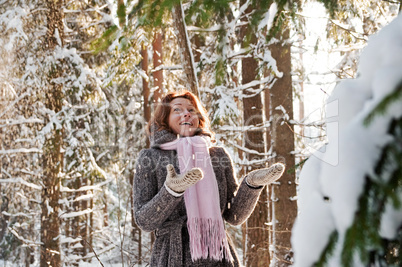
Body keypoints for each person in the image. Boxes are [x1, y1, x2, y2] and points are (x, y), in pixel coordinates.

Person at [133, 90, 285, 267]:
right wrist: (170, 191)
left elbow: (234, 216)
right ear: (164, 119)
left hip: (219, 258)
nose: (187, 113)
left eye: (192, 109)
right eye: (177, 110)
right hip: (173, 257)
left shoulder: (217, 155)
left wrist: (251, 185)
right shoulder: (150, 157)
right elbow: (144, 221)